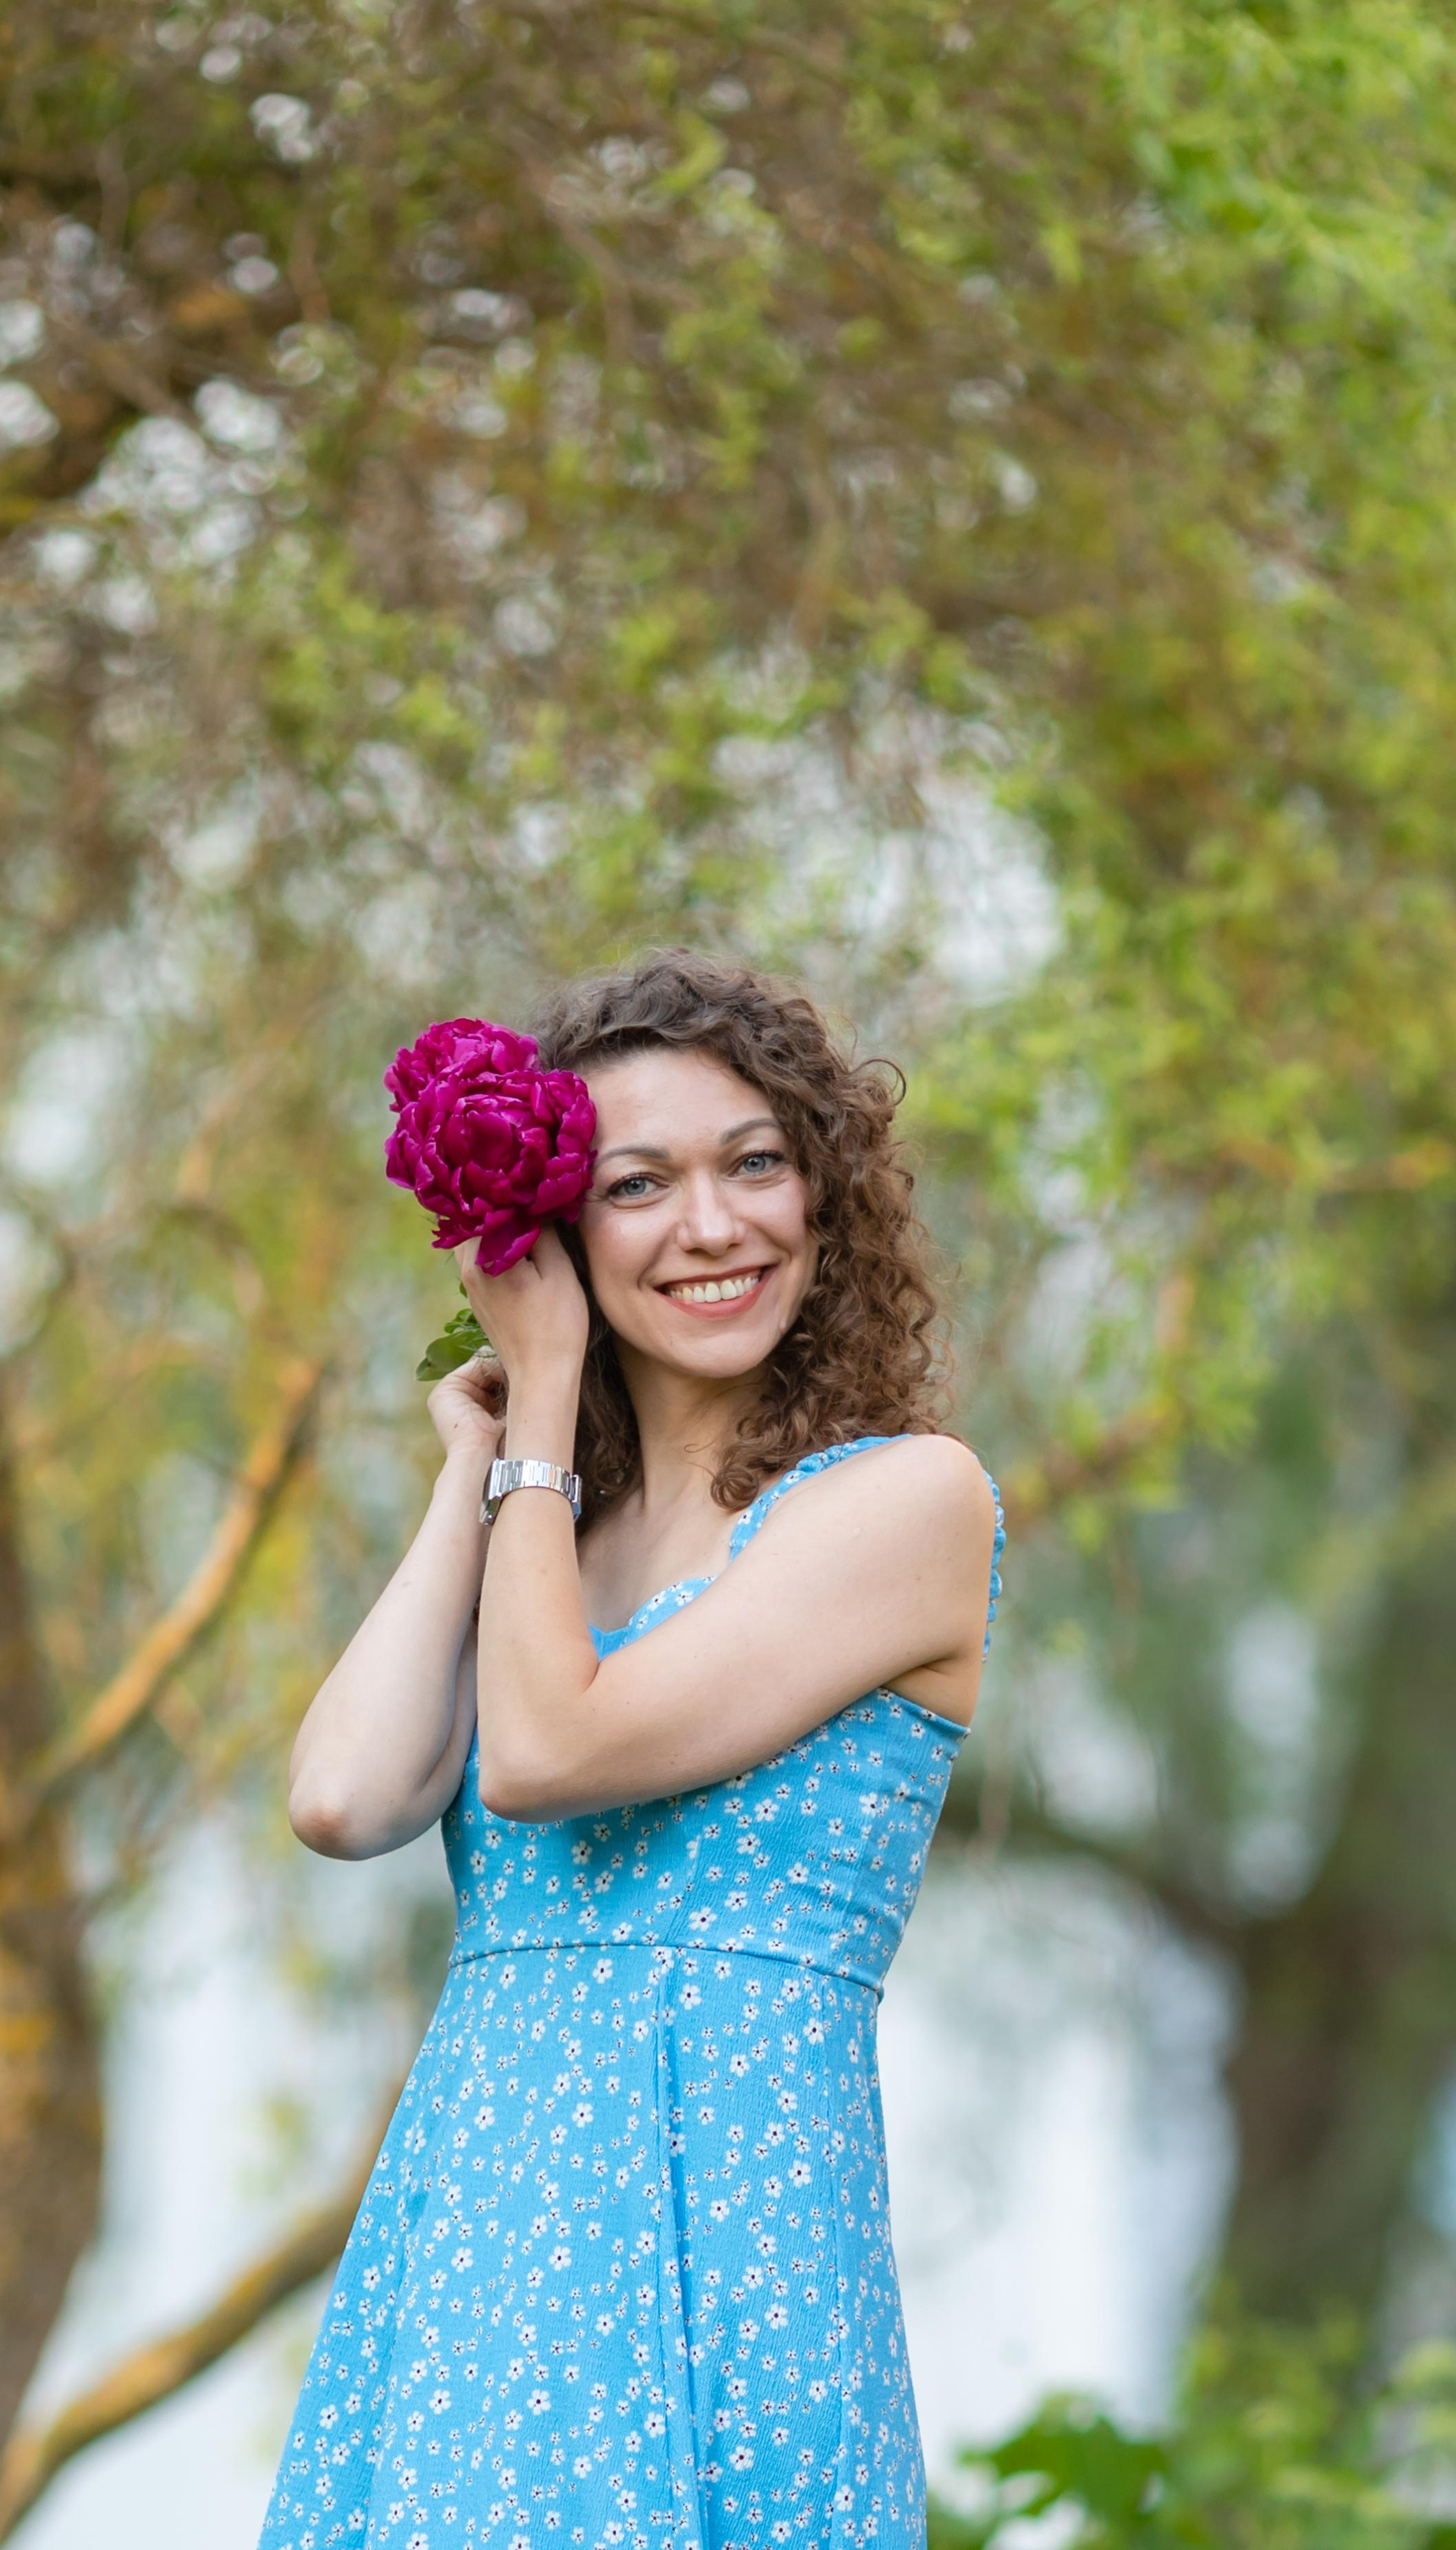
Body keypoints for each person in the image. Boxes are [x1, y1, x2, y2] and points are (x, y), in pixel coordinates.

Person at [260, 951, 1004, 2550]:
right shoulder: (542, 1525)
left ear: (823, 1193)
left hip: (735, 2237)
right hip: (480, 2224)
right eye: (638, 1184)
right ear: (550, 1239)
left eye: (754, 1163)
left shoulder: (905, 1501)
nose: (714, 1226)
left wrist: (537, 1396)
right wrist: (482, 1451)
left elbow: (540, 1753)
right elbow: (340, 1797)